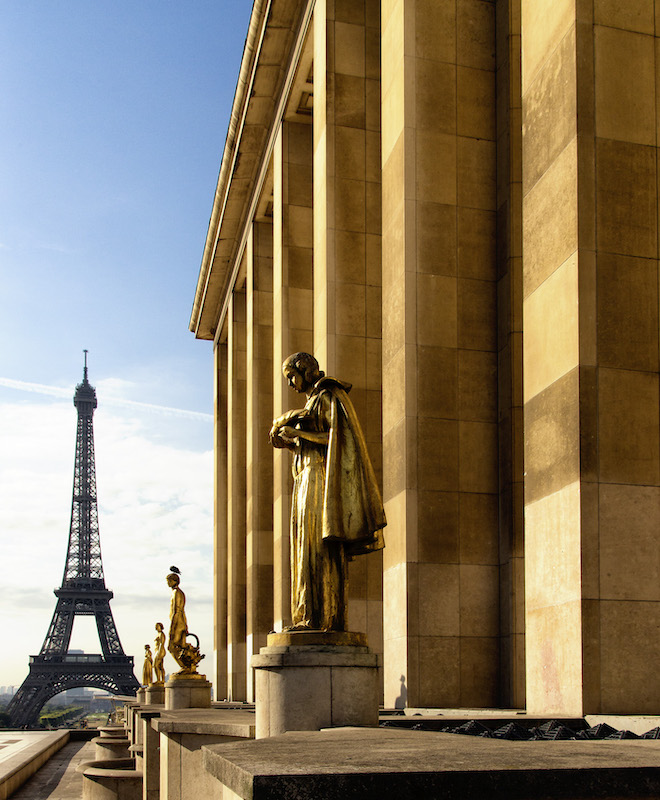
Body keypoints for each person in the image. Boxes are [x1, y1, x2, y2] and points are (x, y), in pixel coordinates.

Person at [269, 352, 386, 631]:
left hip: (321, 477)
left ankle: (321, 619)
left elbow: (337, 438)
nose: (290, 384)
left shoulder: (327, 395)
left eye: (291, 376)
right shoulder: (312, 402)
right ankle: (305, 615)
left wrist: (298, 434)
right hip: (305, 478)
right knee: (303, 549)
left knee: (317, 547)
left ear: (306, 371)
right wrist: (289, 442)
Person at [167, 572, 188, 670]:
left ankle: (184, 667)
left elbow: (177, 611)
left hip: (177, 623)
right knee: (178, 647)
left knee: (171, 647)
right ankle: (185, 667)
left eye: (169, 581)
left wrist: (172, 627)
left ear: (174, 581)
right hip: (180, 622)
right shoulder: (177, 592)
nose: (167, 583)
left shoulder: (176, 593)